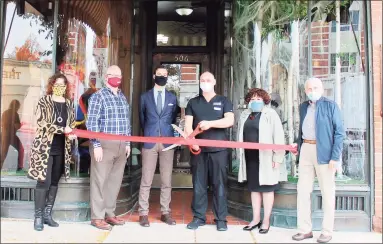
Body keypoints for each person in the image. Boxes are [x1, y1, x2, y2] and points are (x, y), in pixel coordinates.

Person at [292, 77, 344, 243]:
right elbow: (302, 129)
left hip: (325, 152)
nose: (312, 91)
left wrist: (335, 157)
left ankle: (327, 231)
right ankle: (305, 230)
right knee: (303, 191)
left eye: (315, 88)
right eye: (309, 88)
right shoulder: (303, 107)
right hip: (306, 149)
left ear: (321, 89)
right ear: (305, 91)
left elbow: (339, 133)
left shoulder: (331, 106)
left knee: (327, 192)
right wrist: (298, 145)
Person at [184, 71, 234, 231]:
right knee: (199, 184)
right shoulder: (192, 102)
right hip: (199, 151)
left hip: (219, 149)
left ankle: (221, 219)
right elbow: (187, 126)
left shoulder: (223, 101)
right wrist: (193, 142)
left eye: (208, 80)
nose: (205, 82)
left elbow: (229, 121)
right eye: (202, 80)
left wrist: (211, 123)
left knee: (219, 184)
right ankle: (199, 217)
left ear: (214, 82)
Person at [27, 73, 76, 231]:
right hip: (45, 148)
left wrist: (73, 133)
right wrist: (63, 129)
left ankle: (48, 214)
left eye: (63, 84)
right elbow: (41, 123)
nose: (60, 87)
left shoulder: (69, 104)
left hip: (62, 149)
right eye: (57, 84)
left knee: (55, 182)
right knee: (43, 181)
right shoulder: (44, 101)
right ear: (52, 85)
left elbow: (72, 124)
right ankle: (38, 216)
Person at [86, 65, 131, 230]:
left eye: (119, 75)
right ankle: (97, 217)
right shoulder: (98, 96)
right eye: (113, 75)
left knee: (114, 182)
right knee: (99, 181)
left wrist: (127, 143)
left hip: (121, 145)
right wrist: (96, 145)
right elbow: (92, 123)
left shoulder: (122, 97)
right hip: (103, 145)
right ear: (106, 77)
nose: (117, 78)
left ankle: (110, 214)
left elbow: (127, 122)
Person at [237, 88, 287, 234]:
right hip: (250, 157)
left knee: (267, 189)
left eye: (258, 99)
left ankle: (266, 221)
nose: (255, 101)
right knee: (254, 189)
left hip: (266, 158)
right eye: (252, 99)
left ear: (264, 101)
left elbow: (278, 136)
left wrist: (277, 158)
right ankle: (255, 219)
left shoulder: (271, 114)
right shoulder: (245, 114)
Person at [138, 65, 178, 227]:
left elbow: (173, 118)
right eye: (159, 74)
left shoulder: (172, 97)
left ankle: (165, 212)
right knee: (146, 179)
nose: (162, 76)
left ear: (167, 77)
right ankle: (143, 213)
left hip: (167, 142)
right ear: (154, 76)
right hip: (149, 141)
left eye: (165, 74)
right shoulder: (144, 97)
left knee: (166, 180)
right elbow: (142, 118)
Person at [1, 100, 24, 171]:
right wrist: (21, 124)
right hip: (11, 135)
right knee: (21, 150)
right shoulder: (15, 113)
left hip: (3, 134)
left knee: (3, 153)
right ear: (17, 106)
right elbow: (17, 126)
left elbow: (1, 124)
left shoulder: (5, 112)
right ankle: (19, 168)